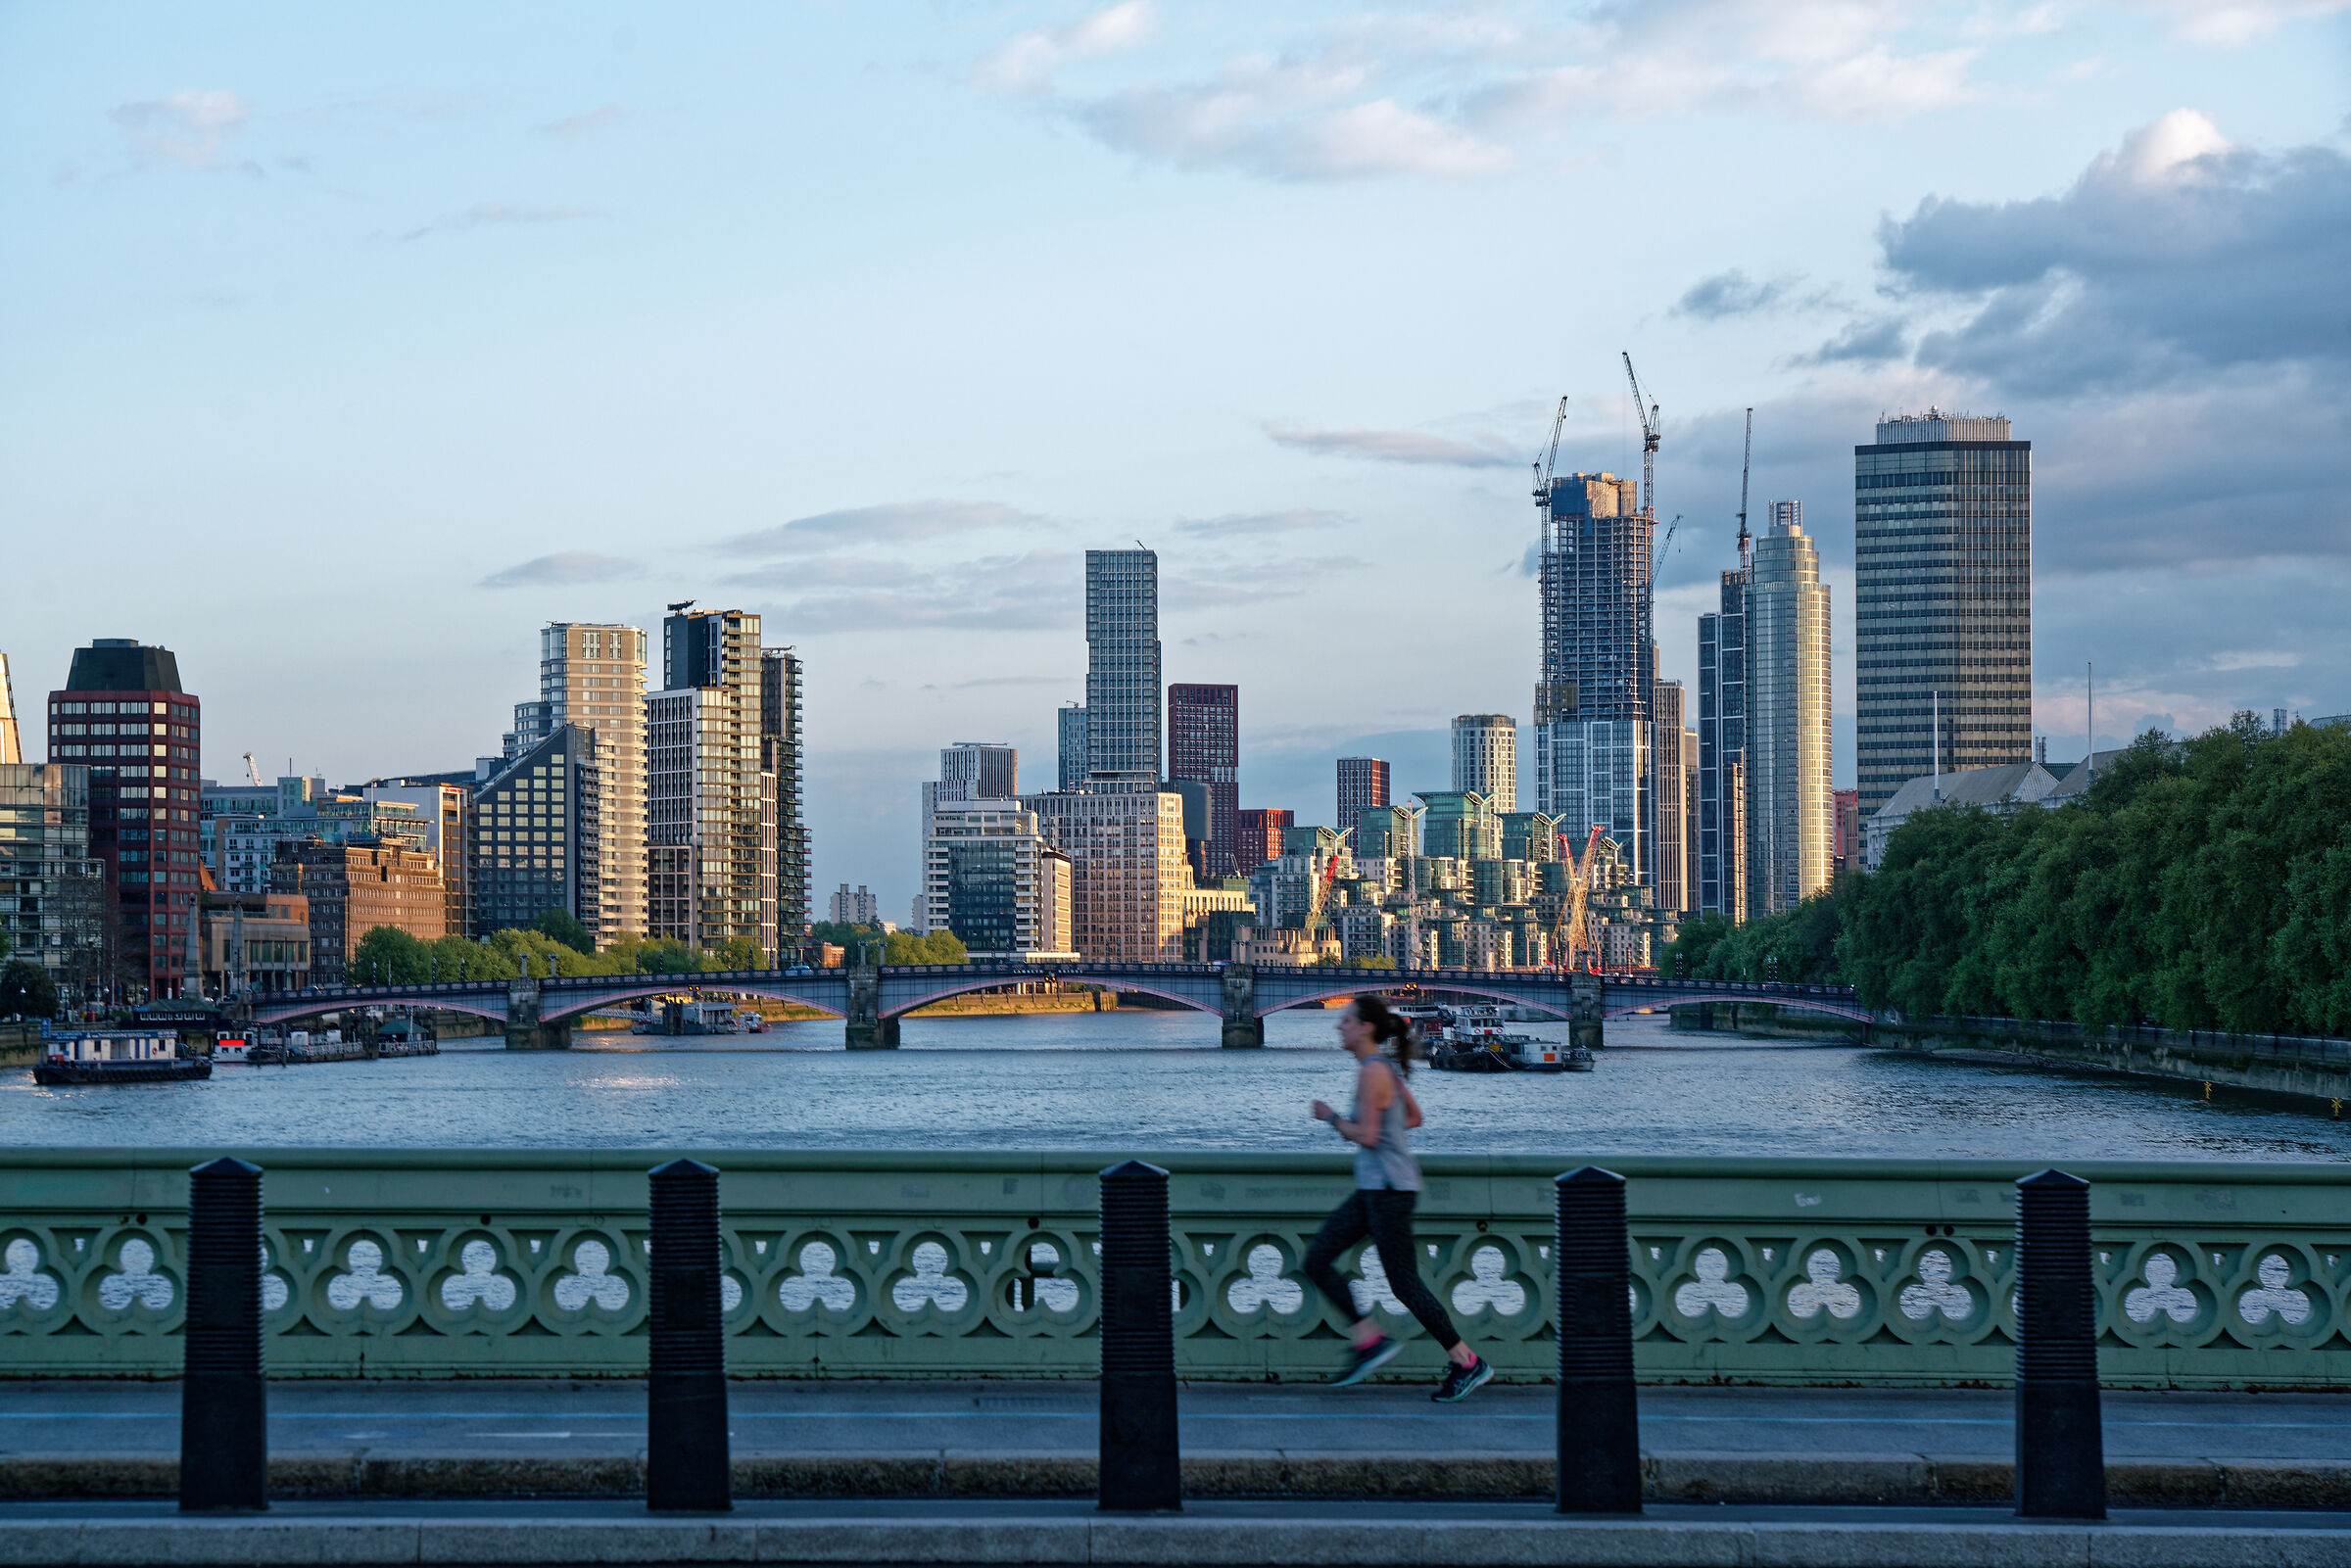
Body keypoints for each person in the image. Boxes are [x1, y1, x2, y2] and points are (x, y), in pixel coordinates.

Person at [1304, 994, 1491, 1402]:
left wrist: (1332, 1117)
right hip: (1379, 1188)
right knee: (1317, 1259)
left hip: (1388, 1191)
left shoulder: (1373, 1071)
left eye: (1347, 1021)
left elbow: (1367, 1135)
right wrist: (1386, 1130)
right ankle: (1370, 1339)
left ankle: (1466, 1360)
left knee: (1404, 1285)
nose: (1340, 1027)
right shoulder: (1383, 1068)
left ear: (1366, 1028)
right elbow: (1413, 1118)